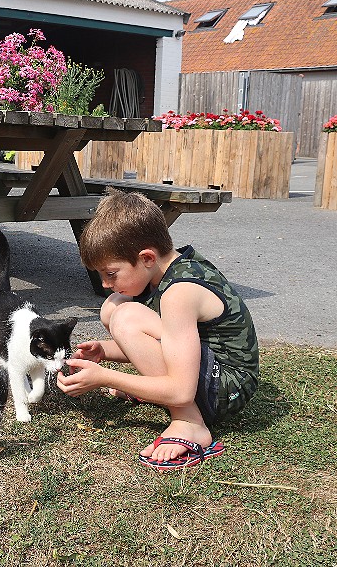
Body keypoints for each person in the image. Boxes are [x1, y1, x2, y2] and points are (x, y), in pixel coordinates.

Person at [56, 188, 259, 471]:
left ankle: (190, 423)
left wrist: (105, 377)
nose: (103, 283)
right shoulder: (165, 271)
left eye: (110, 273)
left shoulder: (180, 291)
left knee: (127, 316)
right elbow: (168, 341)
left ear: (147, 258)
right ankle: (155, 392)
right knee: (114, 306)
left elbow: (181, 390)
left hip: (227, 386)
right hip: (200, 366)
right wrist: (104, 351)